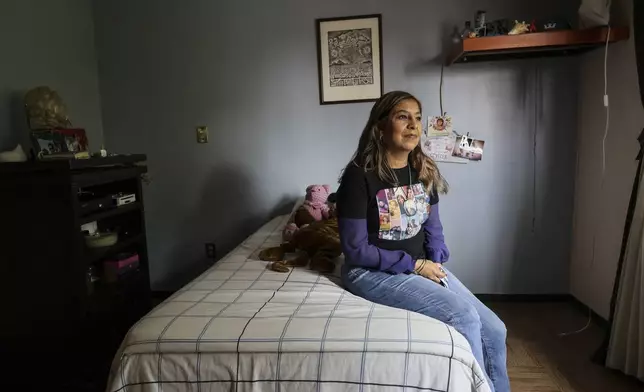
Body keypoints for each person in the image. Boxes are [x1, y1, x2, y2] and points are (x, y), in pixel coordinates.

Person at [336, 91, 510, 392]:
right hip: (369, 272)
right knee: (463, 315)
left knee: (495, 329)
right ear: (380, 127)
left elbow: (433, 227)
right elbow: (354, 248)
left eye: (417, 118)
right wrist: (415, 265)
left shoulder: (421, 169)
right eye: (402, 116)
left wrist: (435, 261)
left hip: (418, 266)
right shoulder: (358, 176)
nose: (413, 125)